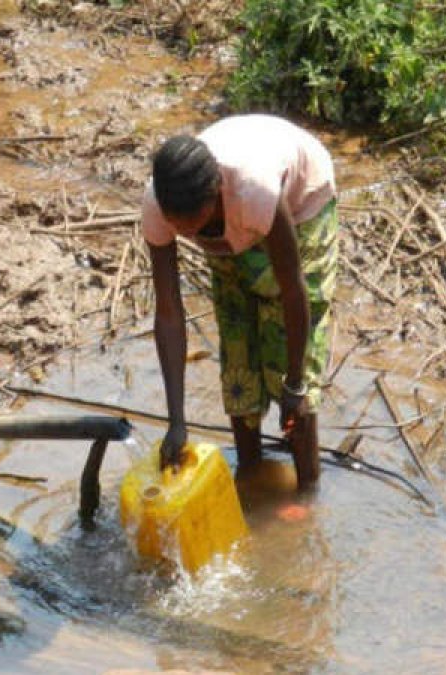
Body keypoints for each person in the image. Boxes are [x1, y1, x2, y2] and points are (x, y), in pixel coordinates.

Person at [143, 114, 338, 490]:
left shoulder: (254, 191)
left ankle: (307, 489)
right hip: (234, 226)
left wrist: (295, 384)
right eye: (176, 225)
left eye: (193, 224)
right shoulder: (159, 203)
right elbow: (168, 312)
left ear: (216, 192)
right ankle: (250, 473)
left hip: (300, 207)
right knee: (237, 356)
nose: (184, 234)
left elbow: (295, 289)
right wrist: (176, 422)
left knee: (288, 361)